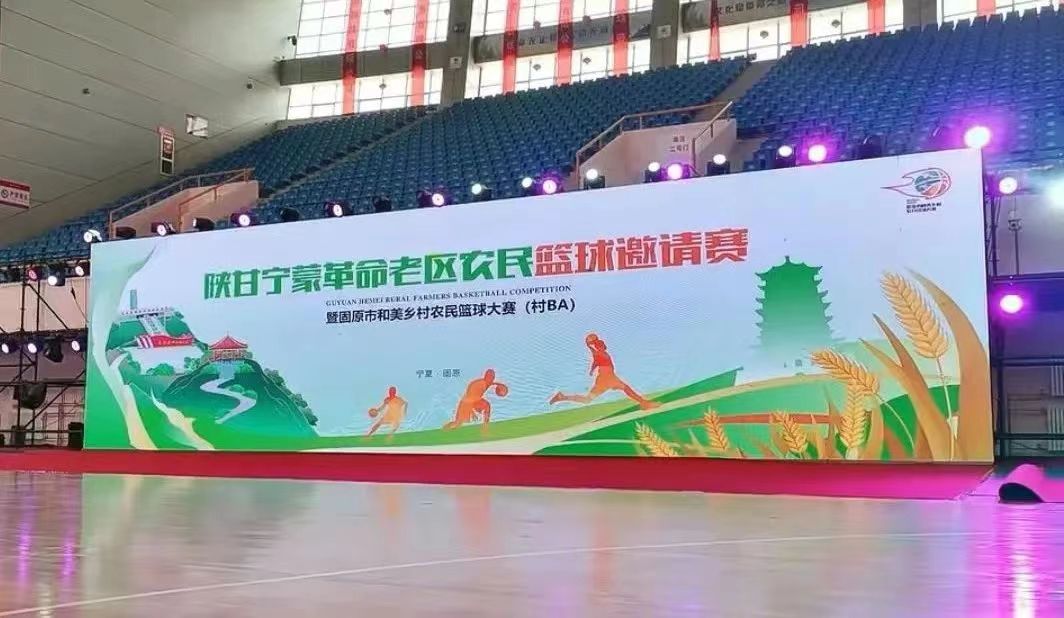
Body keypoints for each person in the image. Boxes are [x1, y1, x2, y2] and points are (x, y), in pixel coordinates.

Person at [549, 333, 658, 410]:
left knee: (588, 399)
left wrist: (592, 369)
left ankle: (562, 397)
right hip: (606, 377)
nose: (604, 345)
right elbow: (594, 356)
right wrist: (590, 344)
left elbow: (595, 362)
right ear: (598, 346)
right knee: (625, 389)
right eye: (601, 344)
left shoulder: (602, 353)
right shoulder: (598, 352)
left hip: (608, 377)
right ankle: (644, 404)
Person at [444, 369, 508, 433]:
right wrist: (472, 412)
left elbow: (495, 384)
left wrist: (501, 387)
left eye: (493, 377)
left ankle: (485, 427)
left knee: (487, 405)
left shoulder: (487, 383)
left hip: (472, 401)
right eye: (490, 377)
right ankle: (444, 429)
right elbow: (469, 398)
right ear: (485, 376)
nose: (492, 379)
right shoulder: (479, 384)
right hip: (466, 404)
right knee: (457, 424)